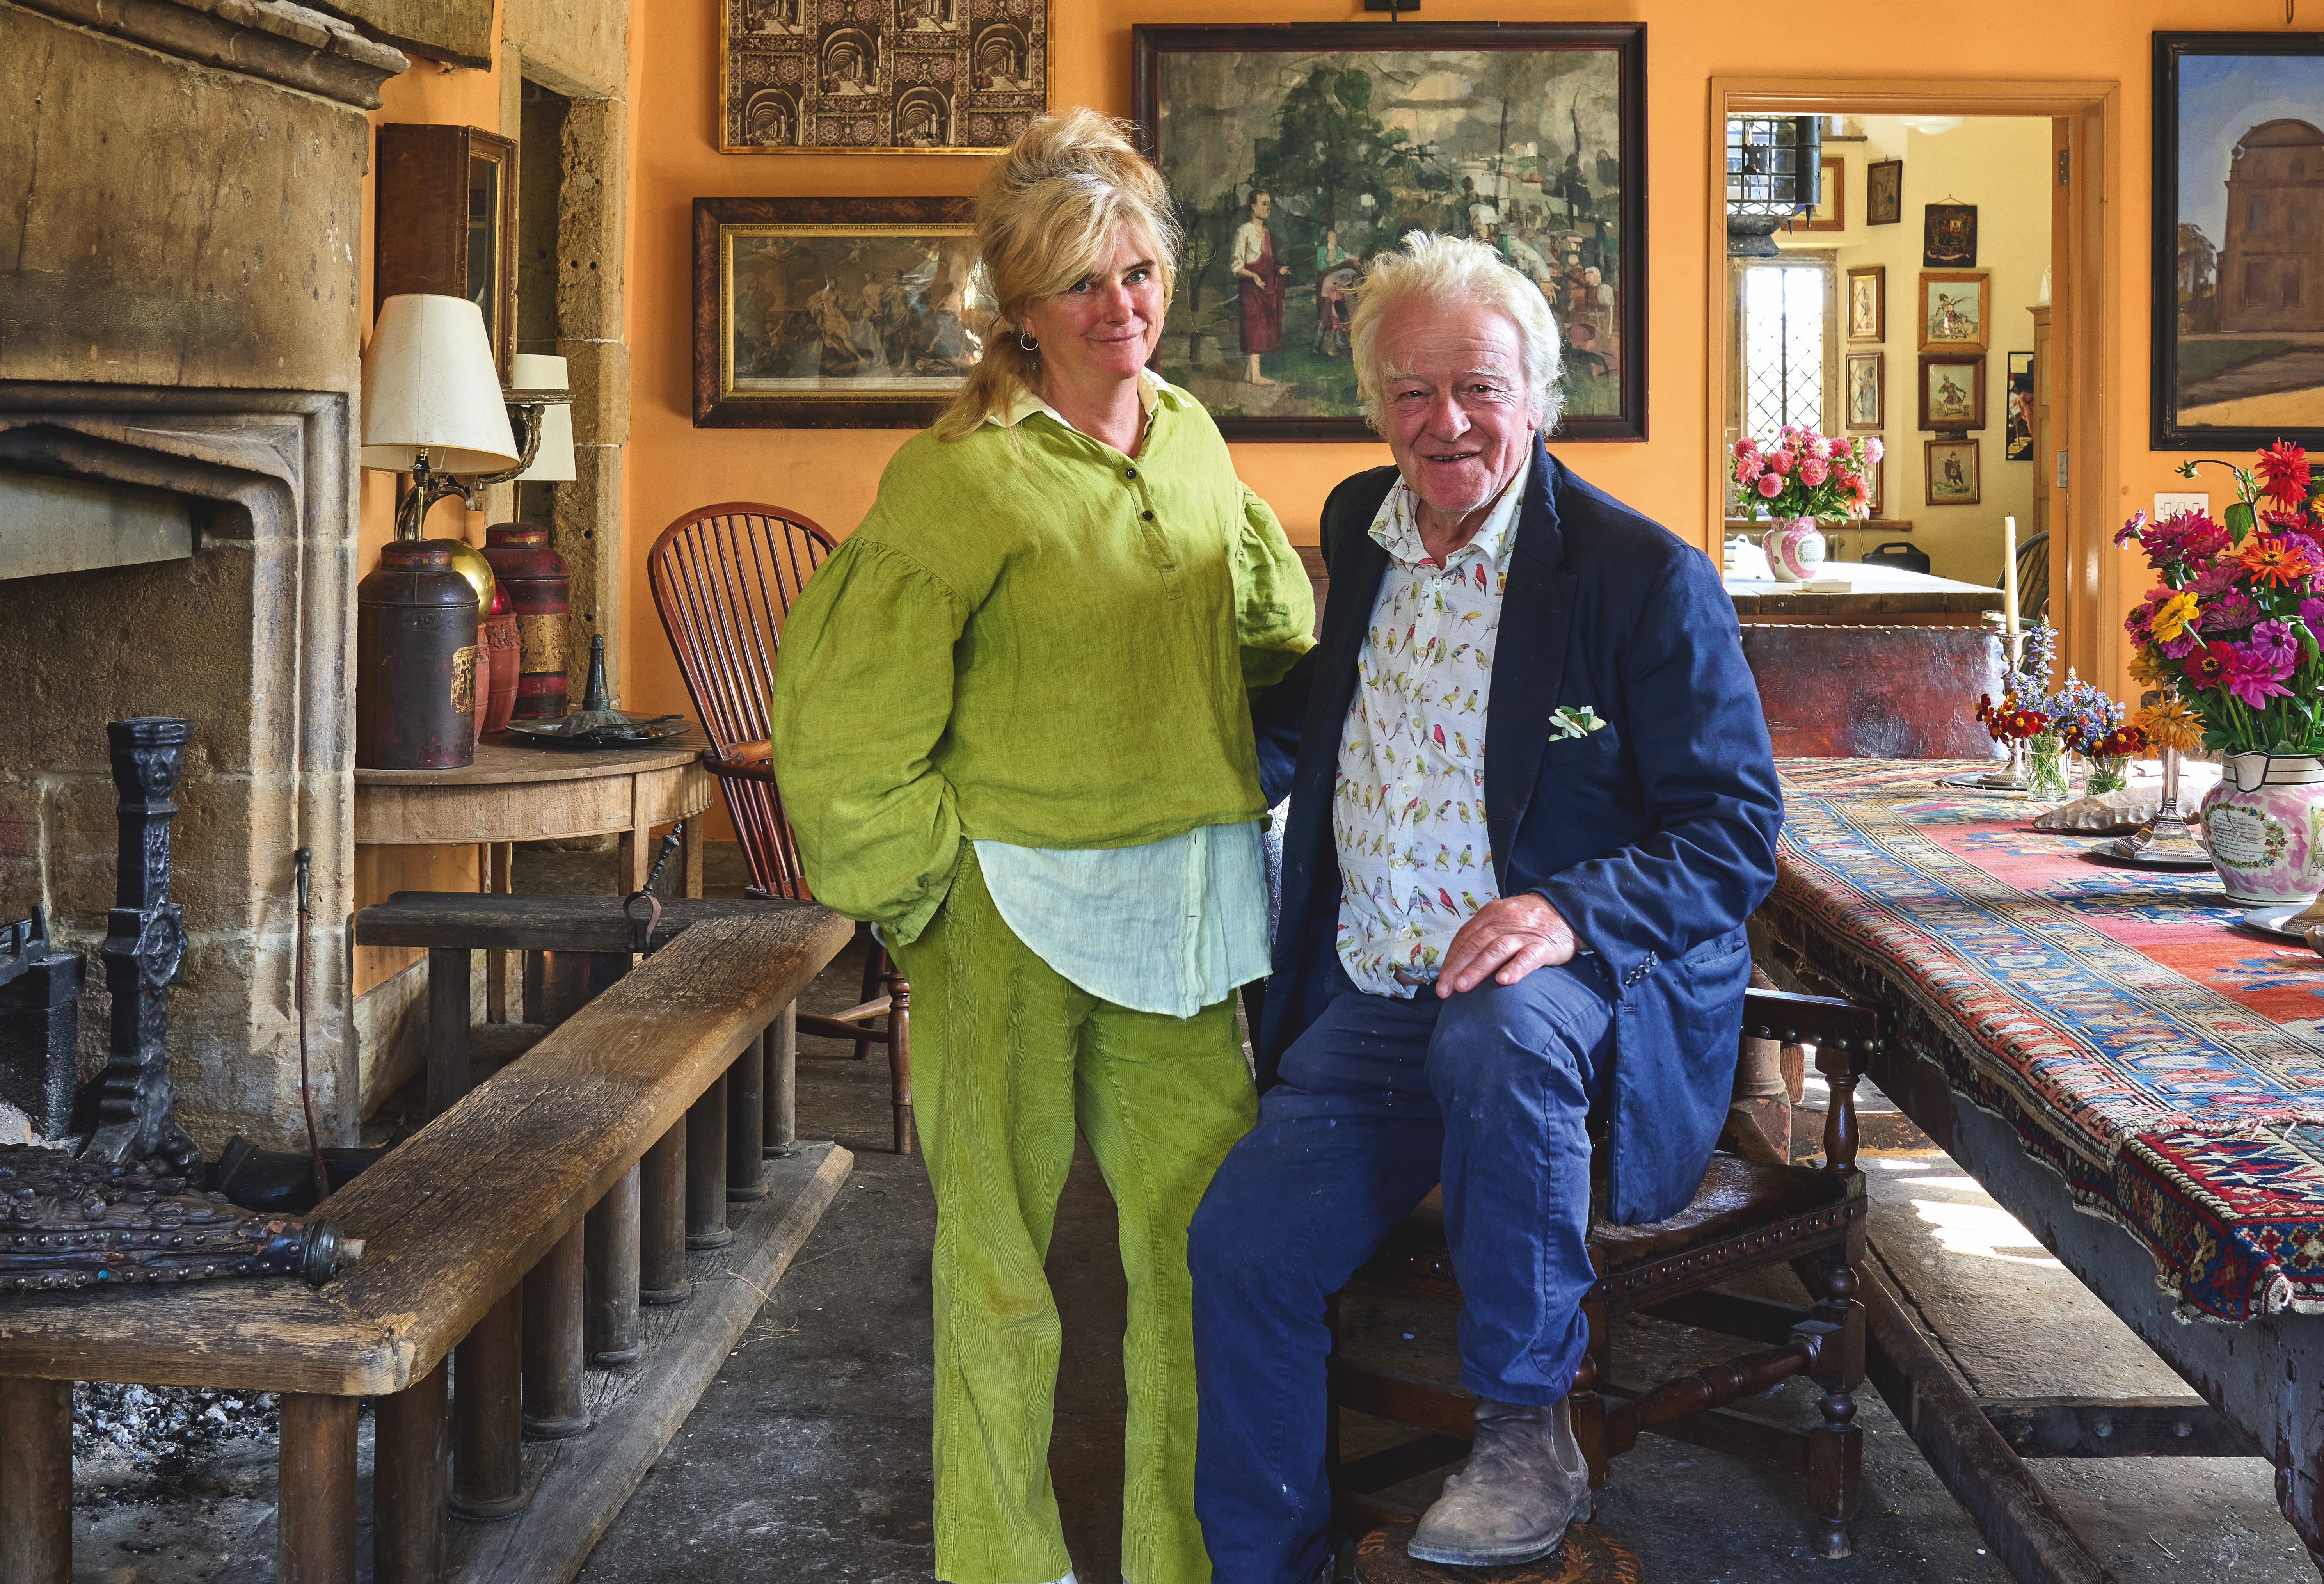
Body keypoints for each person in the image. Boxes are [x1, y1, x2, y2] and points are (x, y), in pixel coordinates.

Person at [768, 108, 1315, 1584]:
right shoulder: (960, 477)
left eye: (1138, 272)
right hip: (1000, 906)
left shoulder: (1194, 438)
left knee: (1194, 1266)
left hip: (1186, 905)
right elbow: (841, 713)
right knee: (999, 1273)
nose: (1120, 306)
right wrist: (922, 890)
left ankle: (1178, 1565)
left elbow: (1267, 627)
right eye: (1082, 283)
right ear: (1017, 313)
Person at [1187, 230, 1781, 1583]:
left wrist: (1566, 910)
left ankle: (1524, 1423)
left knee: (1498, 1025)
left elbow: (1733, 828)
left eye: (1477, 387)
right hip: (1378, 984)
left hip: (1574, 998)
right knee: (1241, 1247)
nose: (1444, 421)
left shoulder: (1639, 576)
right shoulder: (1359, 525)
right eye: (1410, 391)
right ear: (1373, 404)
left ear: (1537, 392)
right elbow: (1316, 722)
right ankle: (1263, 1561)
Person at [1231, 190, 1289, 386]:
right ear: (1253, 207)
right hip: (1250, 289)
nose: (1268, 207)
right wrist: (1254, 276)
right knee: (1253, 328)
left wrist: (1278, 271)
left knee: (1263, 327)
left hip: (1265, 288)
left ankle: (1252, 373)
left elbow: (1267, 265)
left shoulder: (1266, 233)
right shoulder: (1243, 231)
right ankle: (1256, 376)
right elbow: (1237, 266)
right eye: (1264, 203)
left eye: (1269, 204)